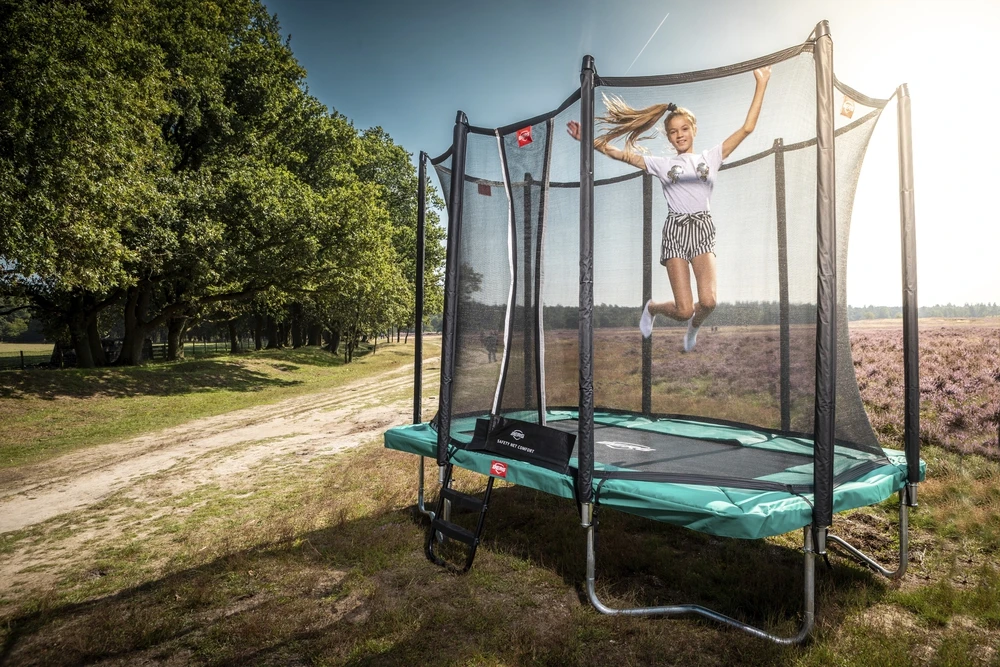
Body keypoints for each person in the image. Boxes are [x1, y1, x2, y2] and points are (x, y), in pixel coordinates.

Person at [567, 66, 771, 351]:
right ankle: (653, 307)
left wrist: (762, 83)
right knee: (684, 309)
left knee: (709, 301)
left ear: (694, 129)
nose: (680, 135)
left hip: (702, 228)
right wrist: (586, 139)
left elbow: (747, 128)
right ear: (668, 137)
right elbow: (621, 154)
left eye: (684, 129)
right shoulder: (663, 165)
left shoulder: (711, 157)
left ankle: (694, 328)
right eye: (673, 132)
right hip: (676, 230)